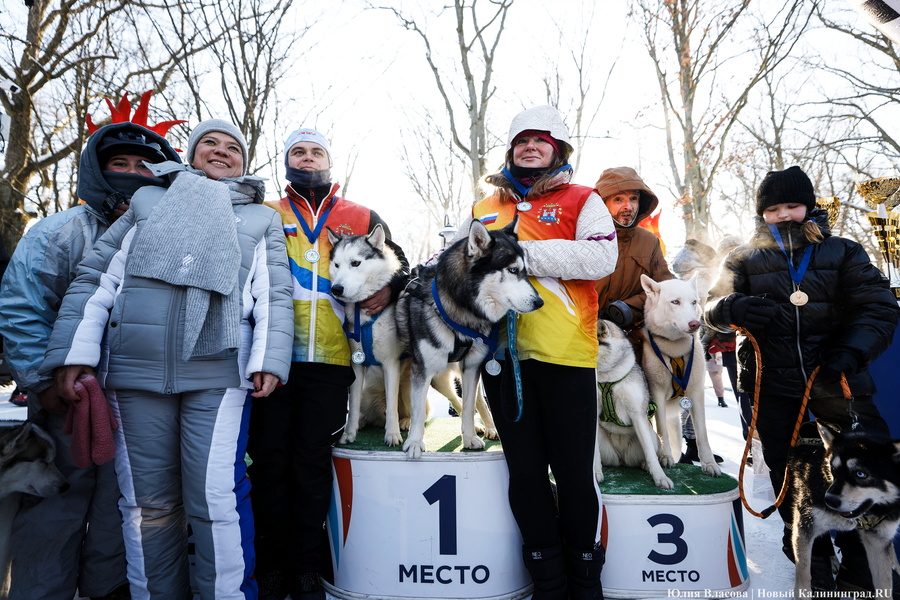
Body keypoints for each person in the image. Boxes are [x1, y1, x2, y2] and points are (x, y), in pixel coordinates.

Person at [40, 119, 294, 600]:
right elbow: (97, 280)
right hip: (135, 372)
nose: (221, 152)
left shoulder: (261, 219)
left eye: (232, 147)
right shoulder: (146, 203)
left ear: (244, 160)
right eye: (209, 144)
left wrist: (268, 358)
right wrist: (74, 354)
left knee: (214, 500)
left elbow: (274, 295)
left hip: (219, 371)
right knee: (146, 506)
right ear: (190, 154)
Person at [0, 118, 181, 600]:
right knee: (56, 505)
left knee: (121, 509)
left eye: (143, 166)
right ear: (97, 172)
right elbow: (23, 305)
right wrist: (42, 381)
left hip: (140, 401)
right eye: (118, 164)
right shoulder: (60, 232)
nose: (131, 173)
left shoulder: (173, 238)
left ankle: (108, 591)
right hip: (67, 397)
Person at [705, 165, 900, 594]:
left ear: (809, 207)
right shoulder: (742, 258)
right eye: (773, 208)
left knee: (860, 476)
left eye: (792, 205)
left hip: (837, 385)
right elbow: (710, 305)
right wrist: (729, 310)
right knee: (791, 480)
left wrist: (851, 349)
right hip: (772, 387)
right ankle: (812, 564)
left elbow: (880, 307)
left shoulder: (843, 252)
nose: (784, 215)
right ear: (761, 214)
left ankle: (863, 571)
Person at [451, 105, 617, 600]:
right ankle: (547, 580)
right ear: (510, 149)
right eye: (522, 140)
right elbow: (455, 263)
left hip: (565, 354)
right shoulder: (485, 207)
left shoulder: (583, 199)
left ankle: (585, 582)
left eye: (541, 140)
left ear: (558, 149)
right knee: (524, 473)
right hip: (502, 358)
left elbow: (601, 256)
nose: (530, 146)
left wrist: (520, 254)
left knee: (573, 474)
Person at [249, 127, 409, 600]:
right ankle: (272, 566)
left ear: (329, 161)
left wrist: (390, 292)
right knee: (271, 464)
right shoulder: (267, 212)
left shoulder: (360, 215)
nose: (307, 157)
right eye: (297, 151)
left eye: (316, 151)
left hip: (337, 358)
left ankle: (308, 565)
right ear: (286, 161)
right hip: (274, 356)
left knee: (313, 463)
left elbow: (399, 267)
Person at [593, 167, 672, 360]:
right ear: (603, 203)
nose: (628, 206)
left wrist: (627, 309)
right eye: (618, 199)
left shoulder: (650, 241)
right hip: (585, 340)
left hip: (631, 345)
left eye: (633, 198)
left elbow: (664, 290)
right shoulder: (583, 237)